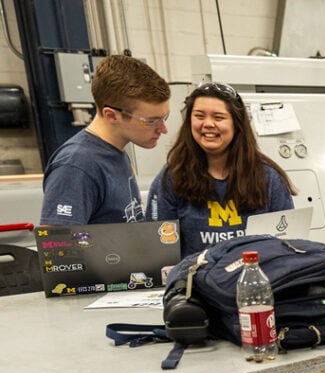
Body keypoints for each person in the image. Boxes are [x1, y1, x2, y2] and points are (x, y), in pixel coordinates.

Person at [147, 82, 295, 256]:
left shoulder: (268, 178)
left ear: (236, 124)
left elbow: (288, 246)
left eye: (218, 117)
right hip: (195, 281)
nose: (208, 124)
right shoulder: (171, 178)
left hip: (255, 279)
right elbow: (159, 252)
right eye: (199, 116)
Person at [41, 55, 170, 225]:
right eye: (151, 121)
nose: (163, 129)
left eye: (164, 118)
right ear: (111, 115)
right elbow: (56, 245)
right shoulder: (77, 165)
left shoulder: (116, 153)